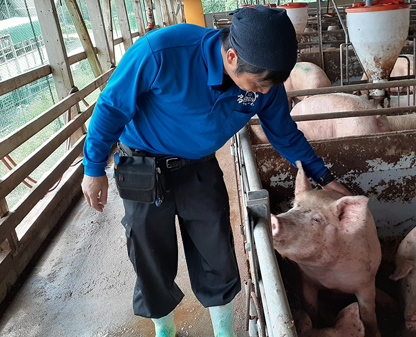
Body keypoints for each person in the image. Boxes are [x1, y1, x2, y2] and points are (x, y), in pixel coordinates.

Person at [81, 5, 351, 337]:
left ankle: (224, 332)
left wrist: (325, 178)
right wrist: (93, 168)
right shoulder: (162, 52)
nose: (264, 93)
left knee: (217, 255)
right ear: (232, 57)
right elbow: (111, 106)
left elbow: (284, 133)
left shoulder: (265, 83)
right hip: (143, 165)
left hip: (199, 167)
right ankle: (164, 330)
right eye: (259, 85)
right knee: (151, 255)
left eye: (270, 85)